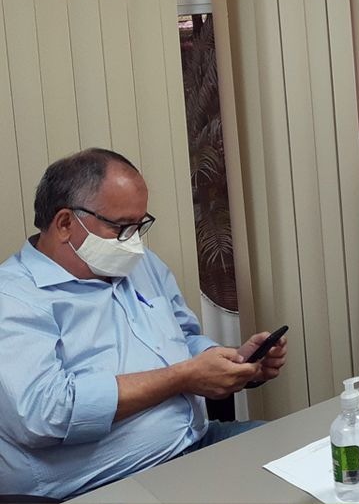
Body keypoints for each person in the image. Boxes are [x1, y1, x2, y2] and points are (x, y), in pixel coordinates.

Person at [0, 148, 287, 500]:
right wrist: (182, 377)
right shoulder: (14, 297)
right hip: (102, 483)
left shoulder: (139, 263)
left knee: (312, 460)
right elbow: (44, 415)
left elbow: (184, 338)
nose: (133, 242)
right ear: (64, 224)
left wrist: (232, 361)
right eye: (121, 227)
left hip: (196, 444)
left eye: (139, 225)